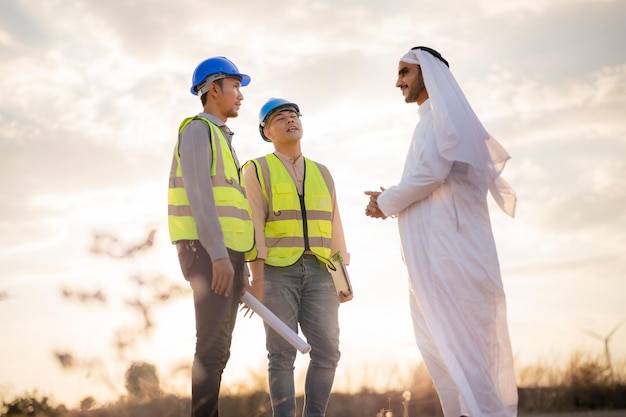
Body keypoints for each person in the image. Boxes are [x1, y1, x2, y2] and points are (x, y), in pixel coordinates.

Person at [364, 46, 518, 417]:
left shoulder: (443, 119)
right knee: (440, 345)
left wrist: (385, 204)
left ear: (427, 73)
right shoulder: (431, 121)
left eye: (405, 72)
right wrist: (394, 197)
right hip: (435, 261)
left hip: (449, 258)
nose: (398, 81)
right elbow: (434, 180)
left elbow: (430, 174)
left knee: (460, 343)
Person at [243, 98, 352, 417]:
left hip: (321, 273)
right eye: (280, 117)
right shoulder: (257, 169)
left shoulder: (323, 172)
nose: (291, 120)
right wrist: (257, 277)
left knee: (328, 351)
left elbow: (335, 227)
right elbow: (253, 226)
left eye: (294, 115)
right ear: (267, 131)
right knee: (280, 355)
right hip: (276, 273)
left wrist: (342, 279)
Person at [167, 56, 256, 417]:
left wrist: (241, 263)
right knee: (211, 346)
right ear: (213, 88)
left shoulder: (223, 138)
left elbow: (231, 207)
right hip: (206, 251)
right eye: (235, 86)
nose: (241, 95)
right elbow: (200, 196)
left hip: (225, 253)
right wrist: (219, 254)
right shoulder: (196, 130)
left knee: (220, 348)